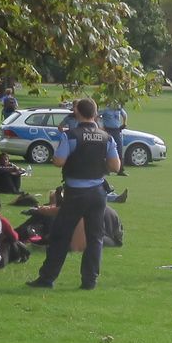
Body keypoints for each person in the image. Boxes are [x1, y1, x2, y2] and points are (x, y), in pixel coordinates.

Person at [27, 98, 122, 290]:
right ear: (95, 113)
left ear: (76, 113)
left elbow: (59, 161)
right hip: (97, 193)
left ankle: (47, 278)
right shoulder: (106, 137)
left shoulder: (71, 135)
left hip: (76, 193)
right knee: (95, 237)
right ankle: (89, 281)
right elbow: (115, 166)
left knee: (61, 235)